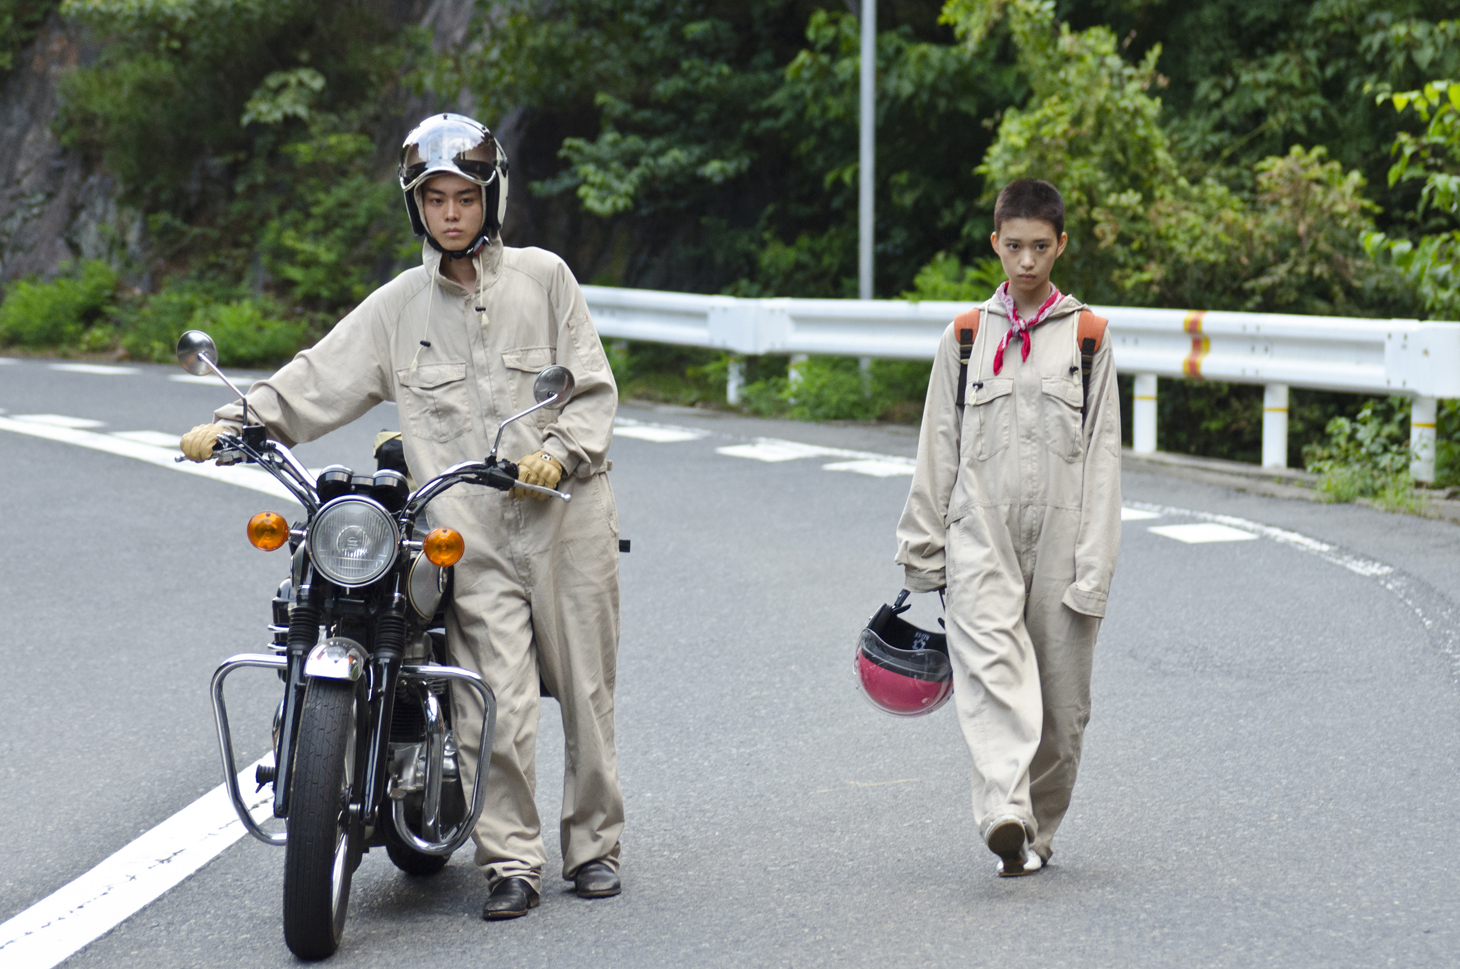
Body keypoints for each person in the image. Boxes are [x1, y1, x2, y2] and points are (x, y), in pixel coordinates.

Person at [179, 113, 625, 919]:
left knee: (588, 694)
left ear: (492, 198)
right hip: (471, 531)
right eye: (435, 199)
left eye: (465, 196)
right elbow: (318, 376)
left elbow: (590, 388)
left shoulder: (544, 279)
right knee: (493, 700)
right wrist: (239, 420)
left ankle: (594, 844)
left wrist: (559, 452)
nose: (451, 213)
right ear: (415, 206)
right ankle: (511, 862)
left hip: (565, 515)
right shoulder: (397, 308)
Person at [894, 178, 1121, 877]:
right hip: (980, 533)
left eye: (1040, 247)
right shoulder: (964, 337)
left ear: (1060, 246)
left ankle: (1036, 830)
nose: (1026, 262)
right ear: (995, 242)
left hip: (1064, 536)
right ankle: (1003, 809)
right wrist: (922, 548)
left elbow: (1104, 456)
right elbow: (938, 444)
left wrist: (1095, 565)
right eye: (1014, 246)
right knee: (993, 677)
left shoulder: (1087, 338)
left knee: (1063, 704)